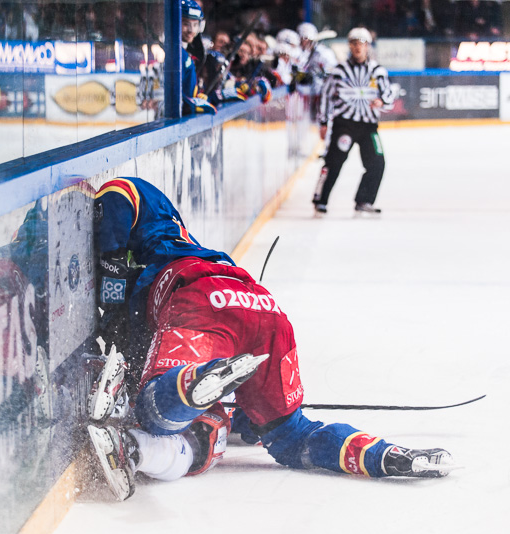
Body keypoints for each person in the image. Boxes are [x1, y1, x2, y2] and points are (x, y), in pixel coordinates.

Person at [86, 177, 455, 501]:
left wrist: (113, 295)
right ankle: (385, 456)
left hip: (202, 298)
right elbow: (259, 425)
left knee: (153, 410)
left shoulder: (160, 225)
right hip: (266, 309)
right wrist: (251, 417)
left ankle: (195, 383)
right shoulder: (192, 245)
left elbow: (121, 191)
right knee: (293, 435)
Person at [311, 27, 393, 217]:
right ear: (349, 45)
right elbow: (325, 96)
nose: (358, 48)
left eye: (361, 44)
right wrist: (323, 122)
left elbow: (388, 94)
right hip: (344, 125)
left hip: (369, 126)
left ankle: (364, 200)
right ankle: (320, 200)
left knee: (377, 162)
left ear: (367, 46)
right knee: (333, 162)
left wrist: (382, 101)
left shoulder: (377, 71)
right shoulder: (339, 71)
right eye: (354, 44)